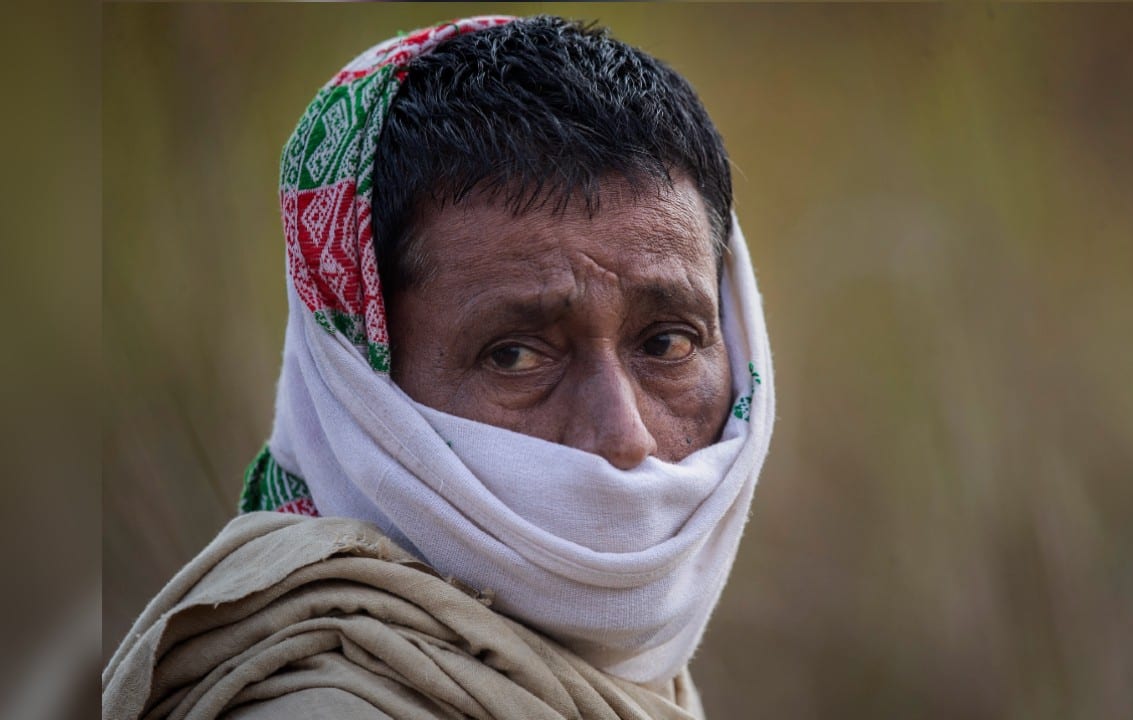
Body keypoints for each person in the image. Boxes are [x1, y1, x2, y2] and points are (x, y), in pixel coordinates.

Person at [104, 14, 774, 719]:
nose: (624, 436)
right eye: (514, 355)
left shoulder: (632, 683)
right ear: (360, 385)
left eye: (667, 343)